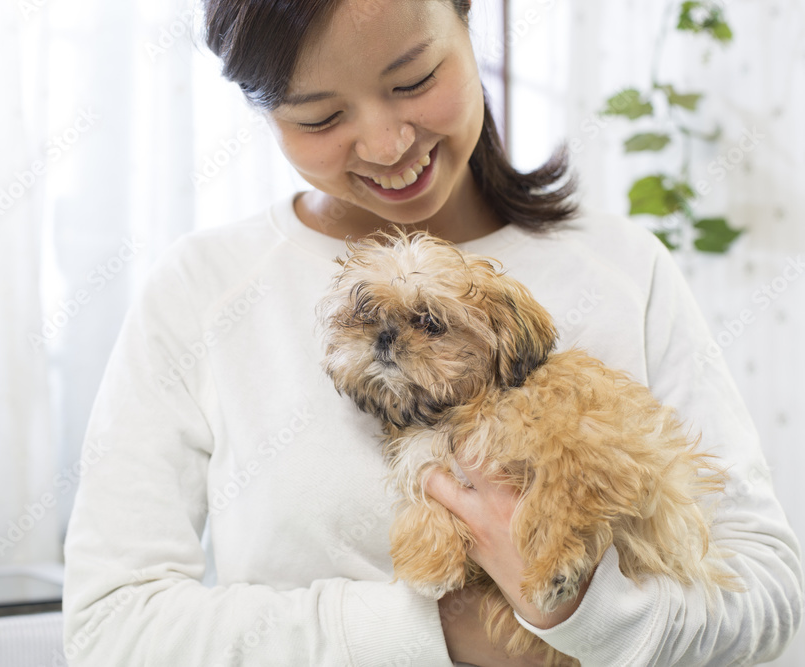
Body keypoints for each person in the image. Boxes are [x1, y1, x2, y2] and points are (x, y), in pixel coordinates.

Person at [62, 0, 804, 664]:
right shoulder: (199, 291)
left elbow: (767, 594)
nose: (387, 145)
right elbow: (109, 628)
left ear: (468, 19)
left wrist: (584, 613)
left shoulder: (625, 269)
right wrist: (442, 633)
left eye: (414, 79)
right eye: (320, 117)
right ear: (264, 113)